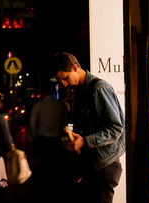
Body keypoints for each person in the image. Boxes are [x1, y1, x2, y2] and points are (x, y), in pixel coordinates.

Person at [51, 52, 125, 203]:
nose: (64, 84)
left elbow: (116, 128)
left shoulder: (98, 88)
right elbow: (76, 121)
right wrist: (70, 130)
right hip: (94, 164)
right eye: (60, 81)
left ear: (74, 67)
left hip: (105, 165)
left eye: (65, 78)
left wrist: (84, 141)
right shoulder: (79, 90)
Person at [29, 79, 69, 202]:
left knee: (42, 171)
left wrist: (34, 139)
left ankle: (42, 194)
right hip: (57, 142)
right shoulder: (61, 105)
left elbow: (32, 125)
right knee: (56, 171)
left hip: (43, 142)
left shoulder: (38, 106)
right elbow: (65, 124)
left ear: (43, 91)